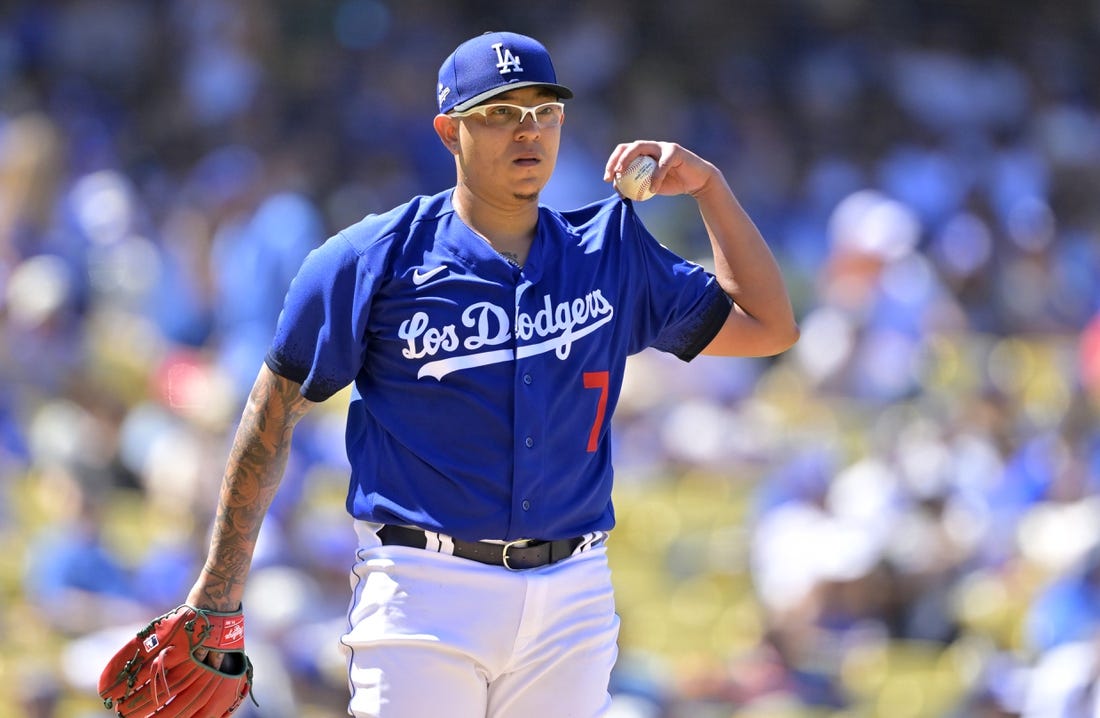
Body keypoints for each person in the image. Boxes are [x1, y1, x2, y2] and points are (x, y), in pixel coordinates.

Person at [185, 30, 799, 717]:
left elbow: (769, 326)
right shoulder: (370, 261)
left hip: (572, 592)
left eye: (543, 111)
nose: (527, 130)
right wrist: (219, 591)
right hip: (423, 588)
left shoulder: (609, 252)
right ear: (450, 131)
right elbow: (268, 422)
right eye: (500, 113)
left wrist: (708, 186)